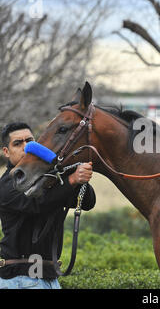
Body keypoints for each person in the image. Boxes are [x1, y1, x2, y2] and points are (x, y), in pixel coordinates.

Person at [0, 122, 96, 289]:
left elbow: (87, 202)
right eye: (18, 143)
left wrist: (70, 172)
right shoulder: (7, 184)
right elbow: (37, 203)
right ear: (6, 152)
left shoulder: (47, 179)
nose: (26, 147)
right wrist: (71, 180)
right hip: (20, 278)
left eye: (30, 142)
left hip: (50, 278)